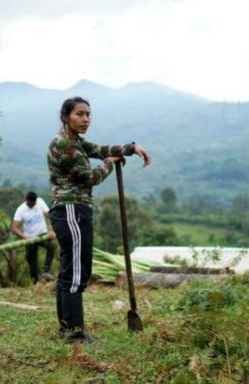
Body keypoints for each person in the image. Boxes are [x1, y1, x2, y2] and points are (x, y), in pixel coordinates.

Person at [47, 96, 151, 343]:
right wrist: (108, 164)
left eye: (88, 114)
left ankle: (66, 328)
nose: (85, 119)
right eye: (79, 114)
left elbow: (99, 149)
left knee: (71, 270)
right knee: (75, 272)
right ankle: (74, 333)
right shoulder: (64, 145)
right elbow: (89, 177)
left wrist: (130, 148)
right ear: (65, 117)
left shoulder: (76, 142)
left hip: (75, 209)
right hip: (71, 209)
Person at [11, 191, 56, 284]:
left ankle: (46, 271)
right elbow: (14, 229)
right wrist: (25, 238)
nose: (33, 205)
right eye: (30, 204)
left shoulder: (40, 202)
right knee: (31, 259)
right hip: (30, 238)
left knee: (52, 245)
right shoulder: (21, 210)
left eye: (34, 203)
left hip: (42, 234)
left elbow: (50, 216)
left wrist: (51, 229)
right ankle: (35, 281)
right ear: (26, 200)